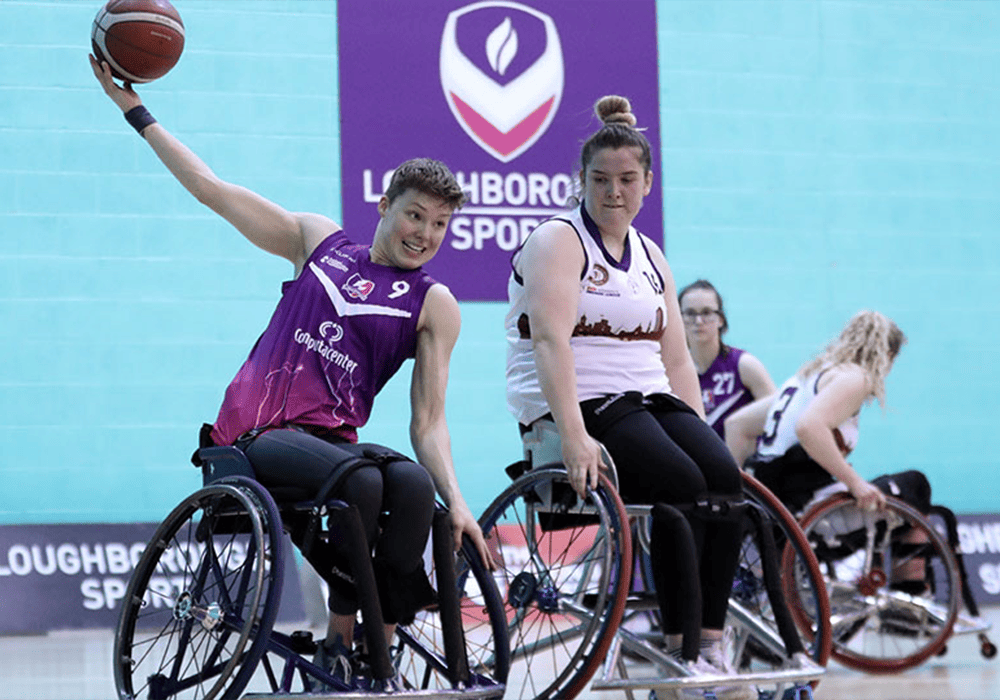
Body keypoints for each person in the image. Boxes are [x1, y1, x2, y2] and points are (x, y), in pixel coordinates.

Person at [90, 56, 490, 680]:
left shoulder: (433, 304)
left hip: (335, 445)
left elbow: (428, 423)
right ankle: (340, 634)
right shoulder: (319, 243)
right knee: (362, 484)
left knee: (412, 485)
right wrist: (133, 109)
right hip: (258, 440)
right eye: (415, 215)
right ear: (384, 205)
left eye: (440, 225)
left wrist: (458, 499)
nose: (425, 234)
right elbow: (212, 190)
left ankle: (371, 645)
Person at [505, 95, 753, 700]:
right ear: (581, 181)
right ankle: (678, 649)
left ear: (647, 183)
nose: (613, 191)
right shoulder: (557, 242)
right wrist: (572, 435)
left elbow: (674, 361)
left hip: (646, 400)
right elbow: (549, 347)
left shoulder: (651, 257)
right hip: (581, 404)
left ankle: (711, 641)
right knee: (679, 484)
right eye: (600, 180)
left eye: (626, 179)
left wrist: (697, 431)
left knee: (722, 479)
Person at [725, 310, 929, 517]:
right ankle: (920, 550)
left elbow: (736, 424)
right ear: (886, 356)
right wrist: (855, 482)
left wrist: (733, 492)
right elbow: (809, 427)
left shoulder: (807, 377)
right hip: (802, 499)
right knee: (917, 484)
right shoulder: (856, 377)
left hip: (770, 494)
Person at [679, 279, 776, 441]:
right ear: (679, 319)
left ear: (721, 319)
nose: (698, 321)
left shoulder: (744, 365)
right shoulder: (672, 371)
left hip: (740, 461)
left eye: (706, 312)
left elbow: (776, 413)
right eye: (690, 313)